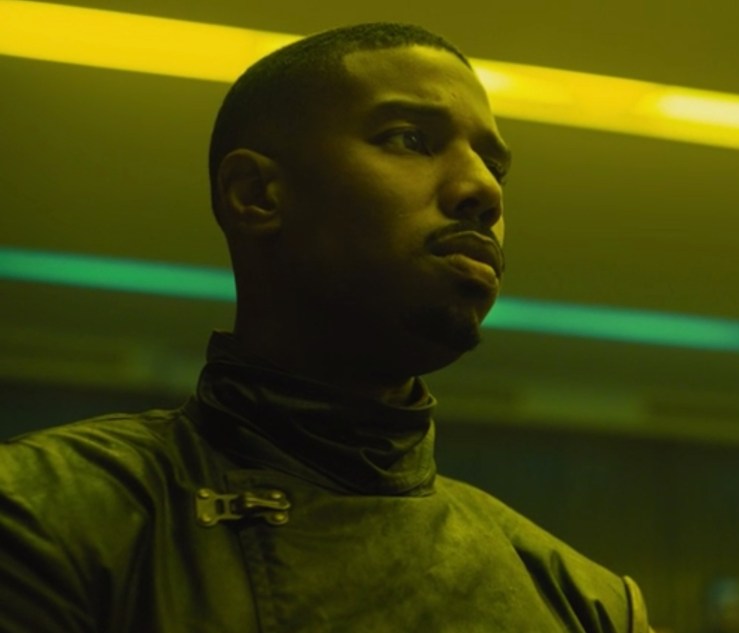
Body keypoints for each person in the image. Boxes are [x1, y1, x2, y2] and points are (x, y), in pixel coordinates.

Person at [0, 22, 651, 632]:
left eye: (496, 166)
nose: (484, 189)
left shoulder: (585, 601)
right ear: (256, 194)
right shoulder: (44, 515)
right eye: (410, 139)